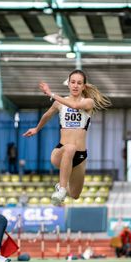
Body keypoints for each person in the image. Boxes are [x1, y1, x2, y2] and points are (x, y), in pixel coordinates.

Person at [23, 70, 111, 205]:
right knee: (70, 147)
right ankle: (62, 189)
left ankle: (61, 187)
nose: (75, 85)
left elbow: (75, 106)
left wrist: (51, 94)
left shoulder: (88, 102)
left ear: (84, 86)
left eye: (79, 83)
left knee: (75, 195)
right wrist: (36, 128)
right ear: (68, 84)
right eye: (73, 82)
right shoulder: (59, 103)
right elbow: (47, 115)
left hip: (80, 156)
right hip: (61, 151)